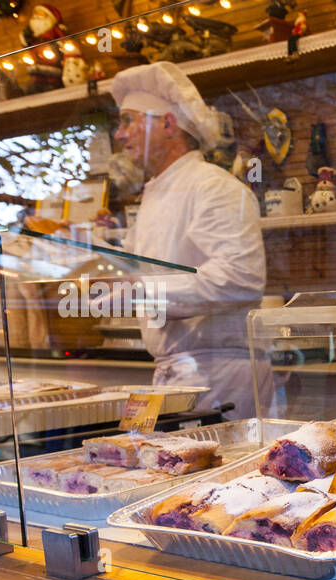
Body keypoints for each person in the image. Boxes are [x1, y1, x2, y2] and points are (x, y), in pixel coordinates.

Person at [108, 61, 270, 420]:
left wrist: (142, 292)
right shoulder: (155, 192)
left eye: (128, 121)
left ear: (167, 124)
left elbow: (240, 279)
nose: (119, 135)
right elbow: (145, 273)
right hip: (177, 374)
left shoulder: (213, 186)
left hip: (219, 376)